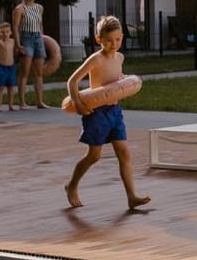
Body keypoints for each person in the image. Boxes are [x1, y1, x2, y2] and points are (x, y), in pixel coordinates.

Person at [64, 14, 150, 211]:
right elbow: (72, 81)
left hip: (114, 111)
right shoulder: (96, 59)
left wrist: (123, 81)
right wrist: (78, 104)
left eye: (118, 39)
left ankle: (131, 196)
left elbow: (114, 81)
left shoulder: (120, 57)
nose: (114, 44)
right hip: (96, 113)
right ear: (98, 39)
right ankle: (72, 185)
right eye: (109, 40)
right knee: (94, 156)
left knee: (124, 153)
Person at [12, 0, 49, 108]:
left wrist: (42, 38)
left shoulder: (40, 8)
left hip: (38, 38)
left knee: (39, 72)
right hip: (26, 38)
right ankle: (22, 102)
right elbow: (15, 27)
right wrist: (18, 44)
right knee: (25, 71)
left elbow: (40, 24)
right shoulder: (20, 9)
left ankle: (40, 101)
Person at [0, 23, 17, 111]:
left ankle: (10, 105)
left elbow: (18, 47)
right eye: (3, 32)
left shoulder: (13, 41)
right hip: (2, 68)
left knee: (11, 87)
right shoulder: (0, 42)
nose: (5, 34)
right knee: (0, 87)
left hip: (11, 68)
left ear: (10, 32)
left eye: (7, 32)